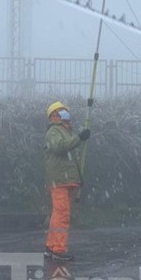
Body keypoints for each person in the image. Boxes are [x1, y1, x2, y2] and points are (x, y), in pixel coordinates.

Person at [43, 101, 90, 261]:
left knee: (58, 214)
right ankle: (59, 250)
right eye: (63, 112)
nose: (66, 116)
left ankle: (51, 246)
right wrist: (78, 138)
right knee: (62, 215)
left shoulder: (65, 131)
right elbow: (60, 147)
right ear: (54, 115)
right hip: (59, 180)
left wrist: (78, 137)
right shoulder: (54, 131)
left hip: (64, 180)